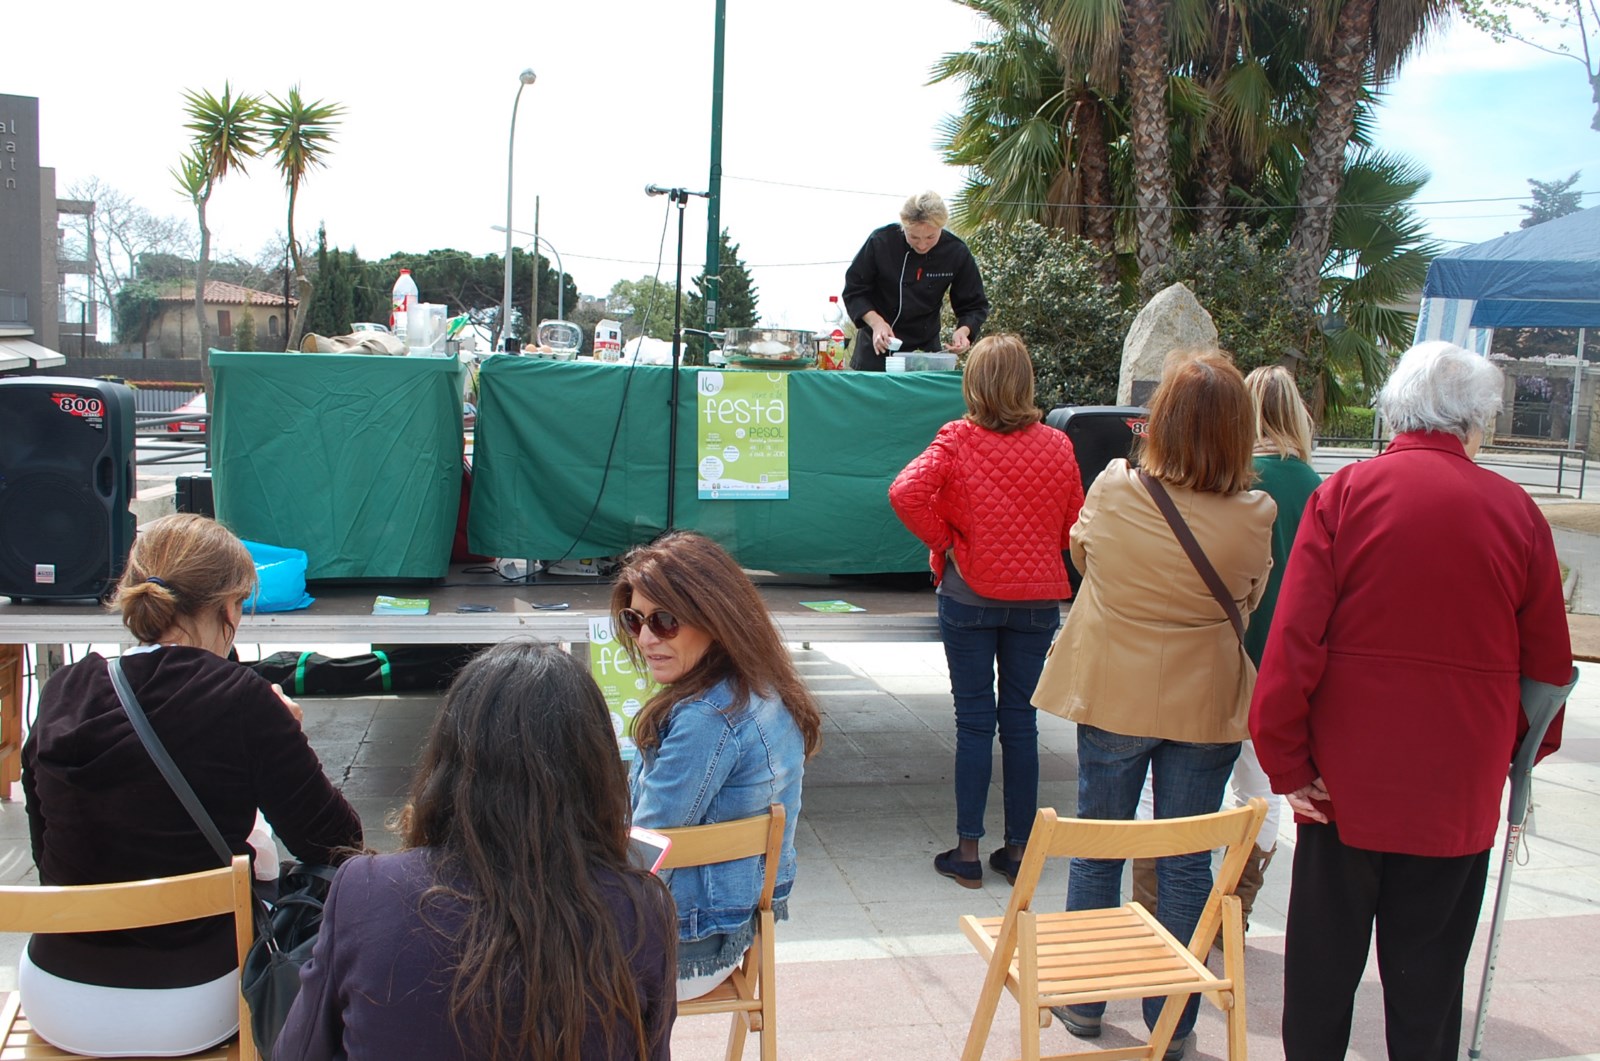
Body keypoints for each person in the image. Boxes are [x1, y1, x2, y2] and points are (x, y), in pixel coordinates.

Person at [1250, 341, 1572, 1061]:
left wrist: (1287, 759)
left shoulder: (1347, 494)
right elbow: (1549, 670)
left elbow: (1294, 641)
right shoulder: (1517, 512)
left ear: (1398, 408)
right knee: (1428, 989)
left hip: (1341, 783)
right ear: (1475, 419)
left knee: (1321, 977)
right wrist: (1510, 752)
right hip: (1456, 788)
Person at [20, 513, 362, 1058]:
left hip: (58, 994)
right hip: (191, 1004)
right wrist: (286, 738)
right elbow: (338, 846)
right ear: (229, 608)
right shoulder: (243, 699)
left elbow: (44, 846)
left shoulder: (65, 689)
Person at [1031, 350, 1275, 1060]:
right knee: (1186, 858)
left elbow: (1082, 556)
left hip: (1112, 693)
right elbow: (1249, 600)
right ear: (1239, 431)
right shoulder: (1257, 512)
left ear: (1159, 420)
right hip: (1204, 700)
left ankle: (1082, 999)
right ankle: (1174, 1014)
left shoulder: (1114, 487)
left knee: (1097, 846)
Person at [277, 640, 677, 1060]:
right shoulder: (642, 909)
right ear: (595, 770)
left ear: (449, 760)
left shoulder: (365, 890)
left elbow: (298, 1050)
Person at [888, 334, 1085, 888]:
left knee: (974, 722)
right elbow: (1077, 525)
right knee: (1021, 724)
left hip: (969, 597)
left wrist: (947, 539)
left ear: (973, 382)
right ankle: (1020, 851)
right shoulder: (1058, 445)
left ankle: (968, 853)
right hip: (1038, 601)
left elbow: (904, 492)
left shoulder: (957, 439)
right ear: (1026, 382)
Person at [615, 531, 823, 1000]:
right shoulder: (762, 683)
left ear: (715, 618)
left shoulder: (707, 719)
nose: (646, 638)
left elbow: (646, 853)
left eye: (665, 621)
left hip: (685, 948)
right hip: (736, 929)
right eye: (635, 620)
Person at [843, 190, 989, 370]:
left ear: (941, 227)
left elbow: (974, 304)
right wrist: (877, 323)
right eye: (913, 237)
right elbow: (854, 290)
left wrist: (964, 330)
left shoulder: (956, 252)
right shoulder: (881, 242)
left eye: (930, 237)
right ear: (903, 226)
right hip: (876, 347)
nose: (922, 245)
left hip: (925, 352)